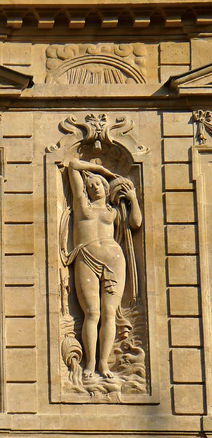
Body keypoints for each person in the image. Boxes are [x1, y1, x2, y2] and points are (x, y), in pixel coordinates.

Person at [65, 158, 142, 378]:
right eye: (90, 186)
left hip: (114, 259)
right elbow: (73, 166)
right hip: (86, 257)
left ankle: (104, 364)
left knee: (109, 313)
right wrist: (100, 169)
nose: (94, 188)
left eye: (98, 184)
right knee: (92, 312)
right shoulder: (82, 204)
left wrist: (132, 198)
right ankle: (90, 363)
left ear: (106, 188)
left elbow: (136, 223)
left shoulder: (114, 211)